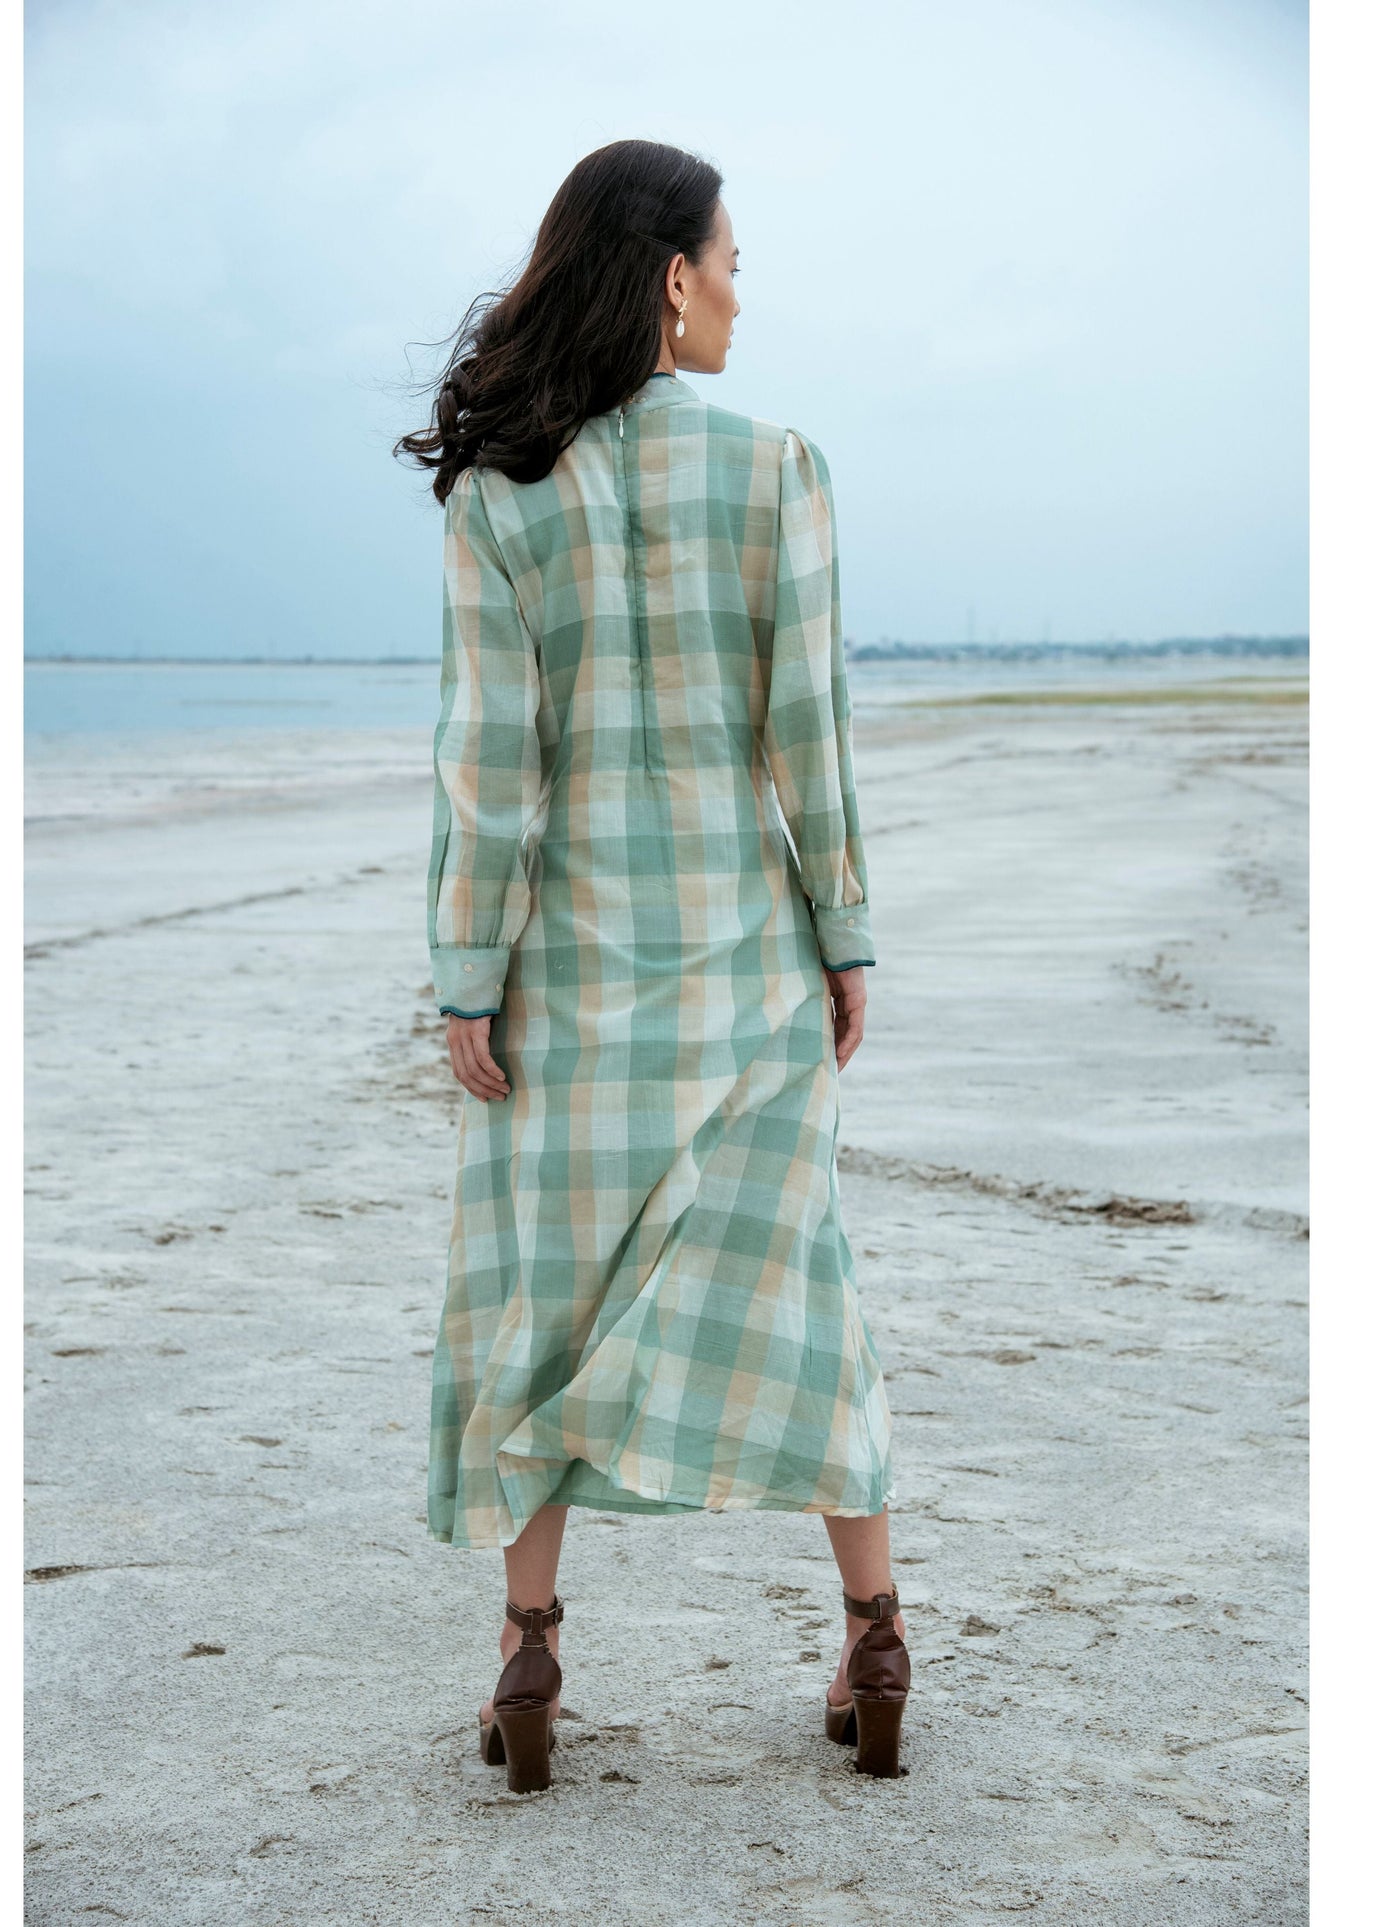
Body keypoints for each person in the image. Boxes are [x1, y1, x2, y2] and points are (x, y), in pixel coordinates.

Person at [395, 138, 910, 1789]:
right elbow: (808, 735)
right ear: (674, 278)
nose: (741, 299)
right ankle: (875, 1634)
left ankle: (529, 1658)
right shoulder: (777, 470)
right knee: (802, 1283)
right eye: (732, 267)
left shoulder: (502, 492)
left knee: (536, 1297)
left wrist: (467, 976)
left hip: (567, 978)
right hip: (744, 966)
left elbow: (490, 766)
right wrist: (841, 934)